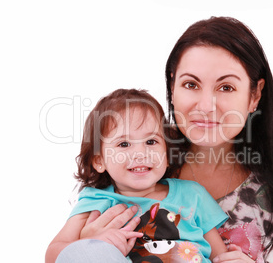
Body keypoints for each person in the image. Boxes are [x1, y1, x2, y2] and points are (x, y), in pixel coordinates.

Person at [164, 16, 273, 262]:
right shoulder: (133, 168)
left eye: (226, 88)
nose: (206, 106)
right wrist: (83, 241)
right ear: (172, 87)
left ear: (254, 95)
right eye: (190, 84)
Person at [45, 88, 229, 263]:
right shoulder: (97, 200)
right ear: (99, 160)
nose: (141, 153)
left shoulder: (192, 195)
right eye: (124, 144)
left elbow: (221, 256)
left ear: (166, 155)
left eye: (151, 141)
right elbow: (54, 255)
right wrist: (92, 243)